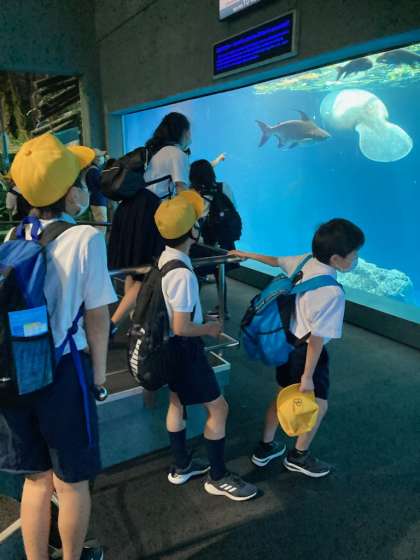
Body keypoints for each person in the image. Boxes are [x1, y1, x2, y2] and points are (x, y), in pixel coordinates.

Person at [0, 133, 117, 560]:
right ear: (71, 193)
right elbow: (97, 317)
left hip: (17, 370)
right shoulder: (85, 238)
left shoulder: (12, 236)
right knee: (71, 483)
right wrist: (99, 378)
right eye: (82, 180)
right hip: (64, 371)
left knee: (36, 480)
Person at [231, 218, 365, 477]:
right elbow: (317, 339)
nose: (356, 259)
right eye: (354, 255)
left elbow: (276, 261)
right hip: (306, 353)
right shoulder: (332, 293)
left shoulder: (305, 260)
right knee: (319, 404)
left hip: (286, 343)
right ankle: (298, 456)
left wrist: (245, 254)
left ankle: (265, 447)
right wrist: (308, 376)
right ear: (336, 259)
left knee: (283, 395)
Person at [154, 190, 258, 501]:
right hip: (184, 349)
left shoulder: (165, 258)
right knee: (218, 407)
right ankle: (218, 477)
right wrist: (210, 328)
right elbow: (182, 327)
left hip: (168, 348)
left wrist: (199, 318)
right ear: (192, 231)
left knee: (177, 401)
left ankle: (181, 465)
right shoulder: (183, 273)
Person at [108, 111, 191, 333]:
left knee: (134, 271)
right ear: (182, 132)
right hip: (148, 213)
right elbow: (182, 190)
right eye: (189, 131)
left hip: (131, 209)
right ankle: (112, 324)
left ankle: (135, 321)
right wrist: (192, 217)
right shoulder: (176, 153)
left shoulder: (155, 152)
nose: (191, 136)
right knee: (146, 274)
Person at [189, 158, 240, 319]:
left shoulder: (191, 193)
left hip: (203, 242)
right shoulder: (224, 187)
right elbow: (234, 207)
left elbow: (192, 219)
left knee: (196, 271)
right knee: (220, 272)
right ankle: (223, 309)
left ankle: (192, 309)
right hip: (224, 239)